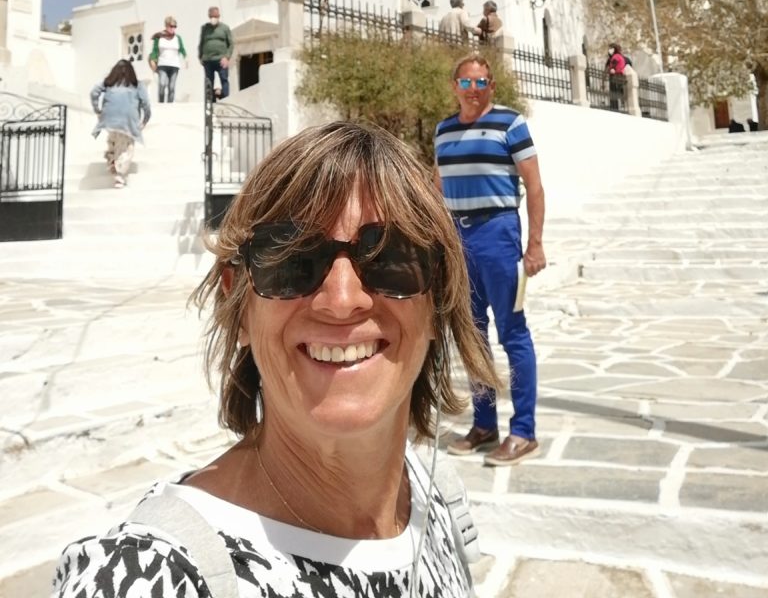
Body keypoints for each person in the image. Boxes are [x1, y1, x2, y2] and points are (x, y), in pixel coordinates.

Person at [51, 121, 497, 598]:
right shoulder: (152, 573)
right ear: (237, 302)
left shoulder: (436, 498)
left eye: (389, 257)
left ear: (438, 298)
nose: (342, 300)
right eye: (293, 259)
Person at [434, 53, 546, 467]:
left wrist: (535, 244)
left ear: (492, 86)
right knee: (472, 333)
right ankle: (484, 425)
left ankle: (524, 431)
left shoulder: (510, 124)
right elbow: (437, 188)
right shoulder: (443, 131)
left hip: (498, 234)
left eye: (481, 82)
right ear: (454, 86)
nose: (473, 90)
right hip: (457, 238)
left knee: (512, 332)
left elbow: (534, 186)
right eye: (466, 82)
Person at [90, 59, 151, 188]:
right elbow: (146, 104)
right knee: (127, 147)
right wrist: (145, 119)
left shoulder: (108, 83)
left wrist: (98, 110)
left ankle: (112, 160)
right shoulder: (137, 85)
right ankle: (119, 174)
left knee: (114, 139)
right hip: (128, 119)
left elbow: (94, 92)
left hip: (109, 117)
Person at [148, 15, 188, 103]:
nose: (173, 28)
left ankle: (170, 106)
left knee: (172, 87)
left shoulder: (178, 38)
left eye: (175, 26)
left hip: (174, 65)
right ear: (166, 26)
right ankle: (161, 104)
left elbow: (182, 49)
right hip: (162, 64)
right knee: (162, 84)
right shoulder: (159, 37)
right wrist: (152, 60)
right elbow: (155, 51)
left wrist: (186, 57)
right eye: (171, 26)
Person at [198, 5, 233, 100]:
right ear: (209, 16)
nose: (213, 18)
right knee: (209, 82)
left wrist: (227, 57)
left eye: (215, 16)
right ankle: (210, 102)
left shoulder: (225, 28)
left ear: (219, 16)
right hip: (208, 60)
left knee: (224, 80)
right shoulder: (204, 28)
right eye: (212, 16)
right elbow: (201, 43)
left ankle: (226, 101)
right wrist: (200, 56)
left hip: (221, 60)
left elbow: (231, 44)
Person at [605, 43, 626, 112]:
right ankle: (618, 106)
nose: (609, 50)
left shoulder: (615, 56)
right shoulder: (620, 56)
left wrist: (612, 69)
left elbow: (614, 64)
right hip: (620, 75)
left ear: (614, 49)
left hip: (615, 76)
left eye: (611, 48)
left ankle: (614, 107)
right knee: (618, 91)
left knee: (613, 92)